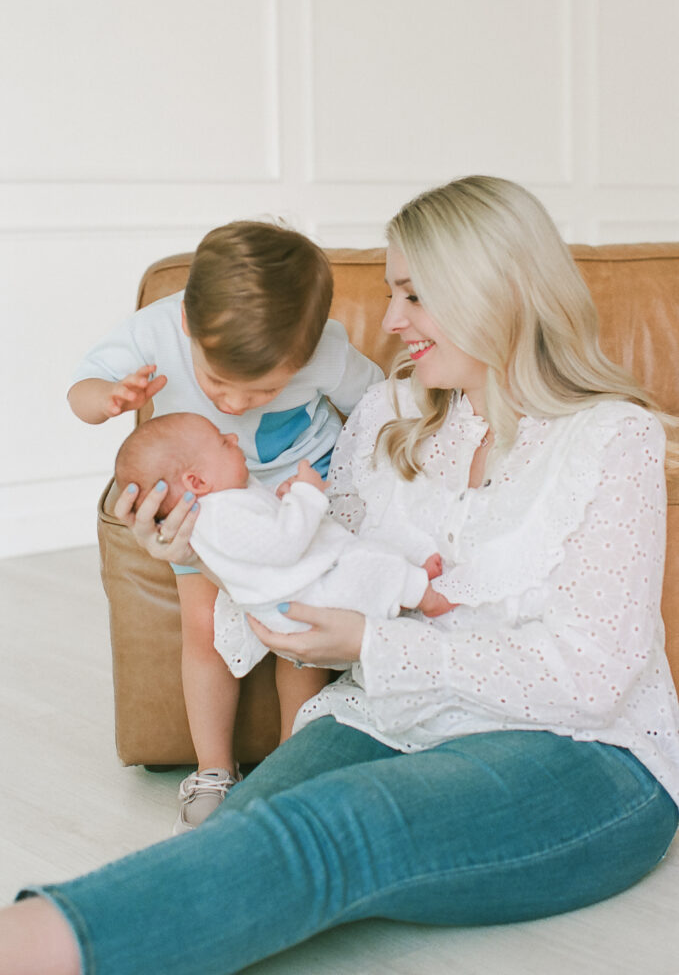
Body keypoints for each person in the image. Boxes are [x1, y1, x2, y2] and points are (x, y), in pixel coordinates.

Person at [3, 175, 679, 975]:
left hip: (582, 757)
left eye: (412, 295)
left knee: (331, 829)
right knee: (241, 839)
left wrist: (373, 642)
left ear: (497, 291)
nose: (389, 322)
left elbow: (591, 678)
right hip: (387, 717)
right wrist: (208, 541)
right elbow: (308, 565)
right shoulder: (385, 415)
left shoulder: (611, 439)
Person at [67, 220, 383, 830]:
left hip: (302, 496)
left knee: (301, 637)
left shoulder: (323, 348)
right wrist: (108, 398)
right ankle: (213, 769)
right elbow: (79, 391)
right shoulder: (159, 328)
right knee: (205, 629)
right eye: (217, 385)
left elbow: (381, 402)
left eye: (264, 390)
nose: (236, 406)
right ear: (189, 323)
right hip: (206, 504)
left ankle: (297, 764)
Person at [115, 411, 452, 684]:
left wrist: (284, 499)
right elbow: (284, 544)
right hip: (307, 598)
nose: (234, 438)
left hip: (297, 597)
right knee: (368, 563)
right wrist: (305, 494)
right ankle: (426, 595)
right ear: (197, 482)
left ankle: (408, 588)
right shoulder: (219, 515)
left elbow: (259, 538)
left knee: (368, 560)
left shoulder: (221, 505)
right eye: (223, 442)